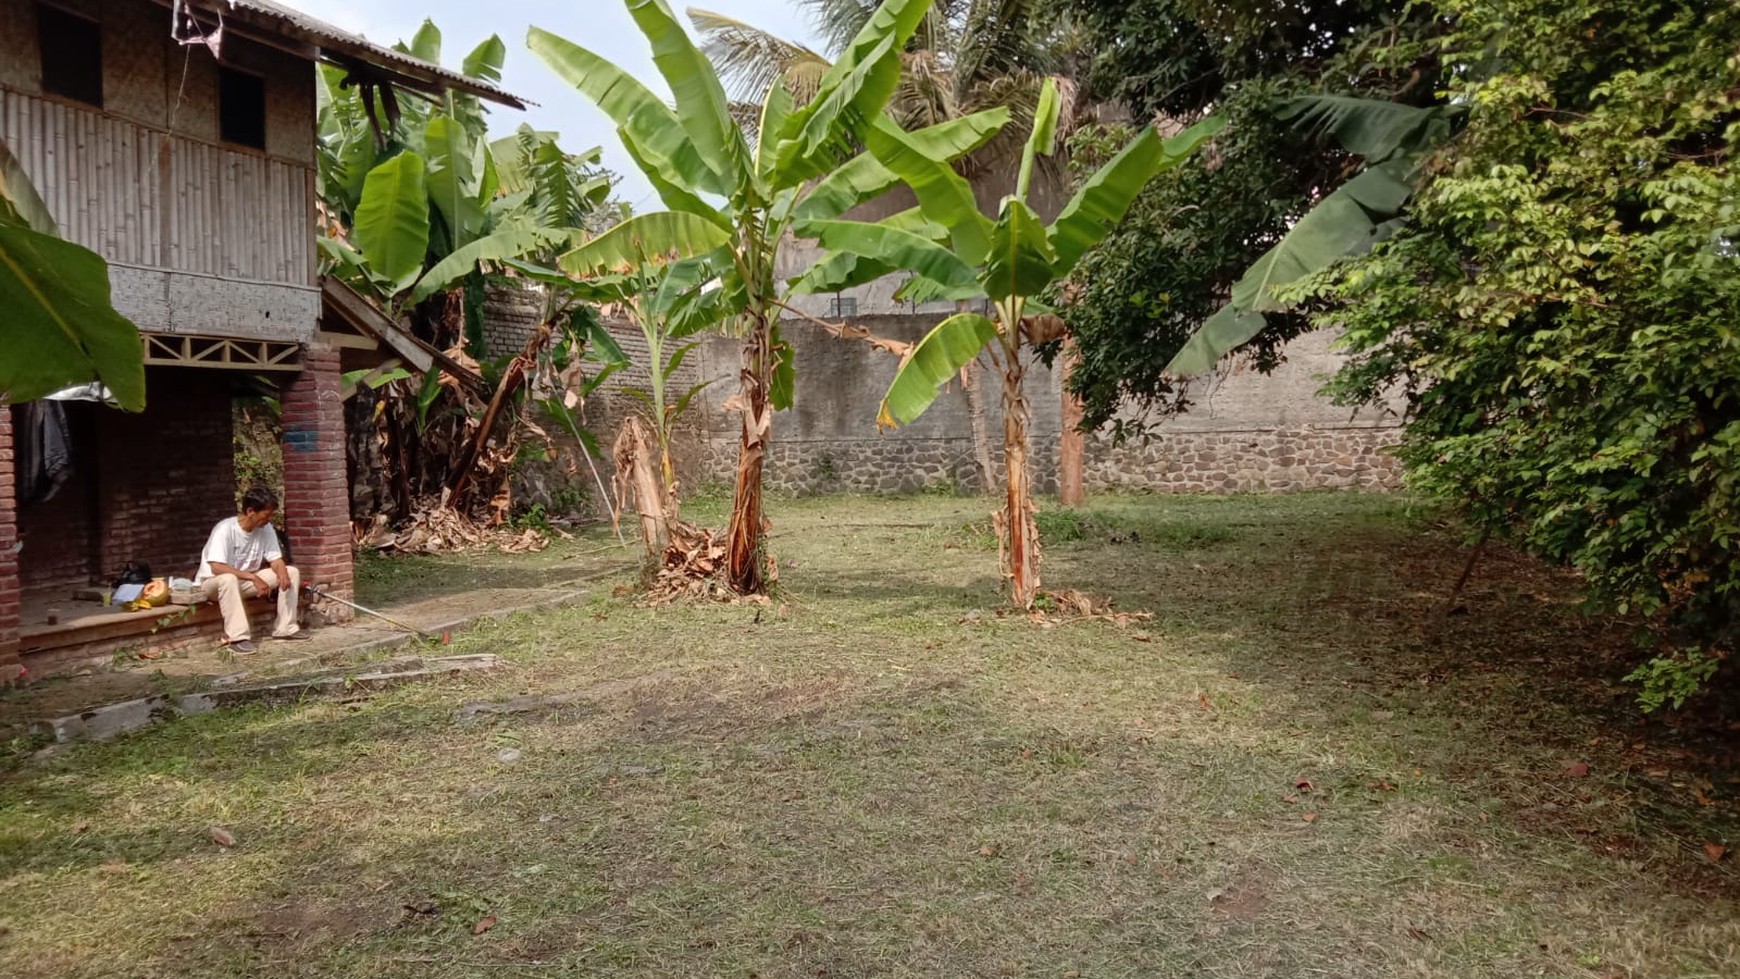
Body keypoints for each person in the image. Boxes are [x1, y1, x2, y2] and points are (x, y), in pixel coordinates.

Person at [195, 487, 310, 653]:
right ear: (250, 511)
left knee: (291, 572)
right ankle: (238, 637)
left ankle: (286, 628)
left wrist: (282, 570)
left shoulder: (266, 528)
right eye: (266, 514)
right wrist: (252, 578)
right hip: (213, 584)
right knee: (228, 578)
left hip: (245, 582)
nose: (269, 520)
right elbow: (216, 567)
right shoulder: (224, 529)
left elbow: (275, 558)